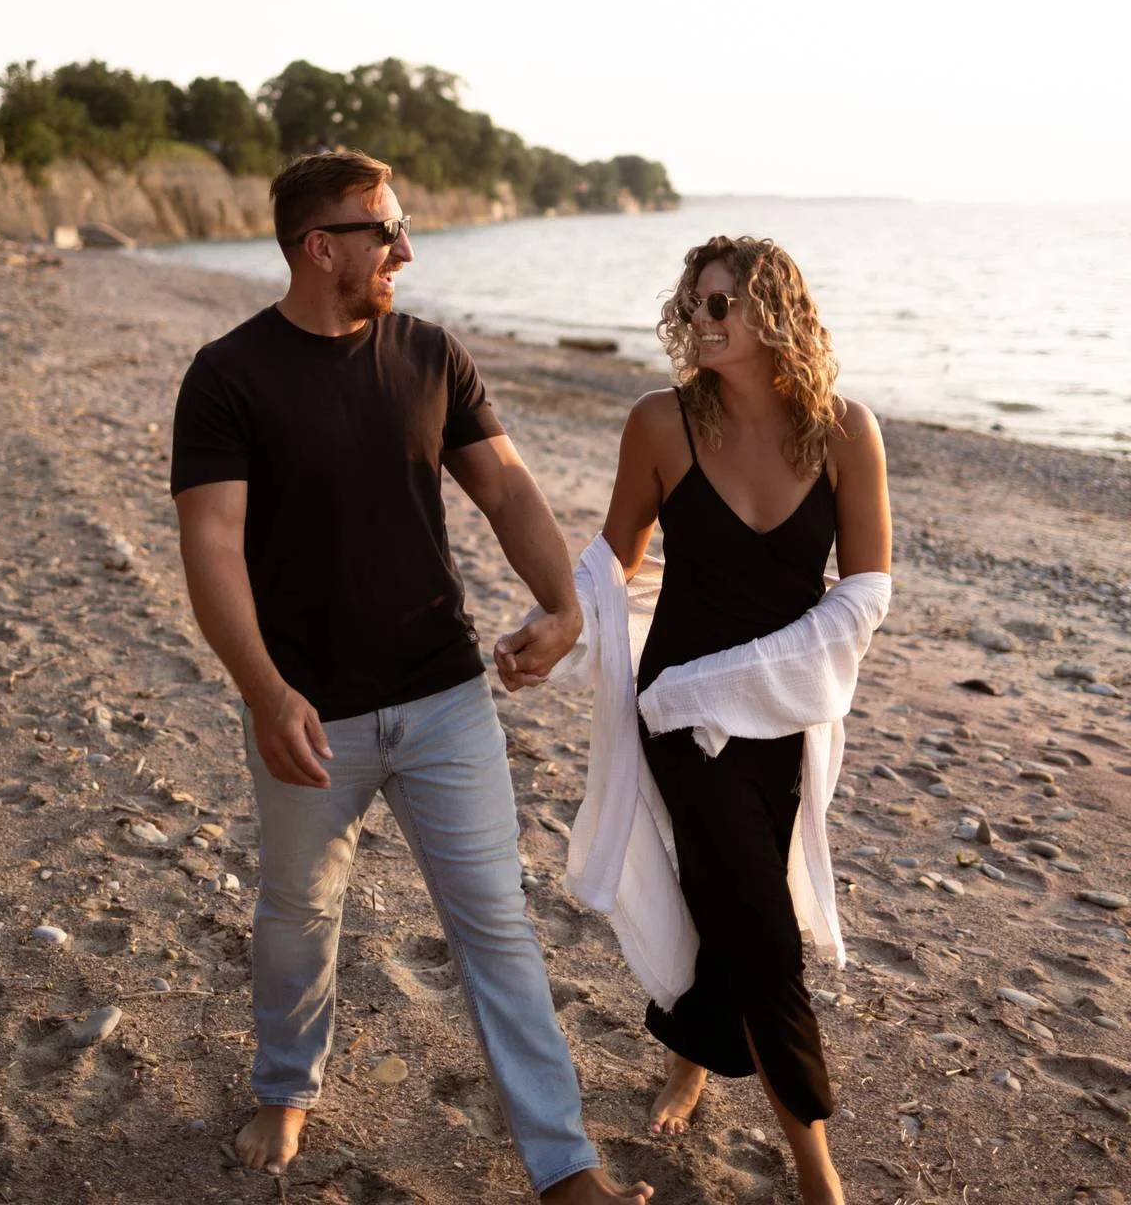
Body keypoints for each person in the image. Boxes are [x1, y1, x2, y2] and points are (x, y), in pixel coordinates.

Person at [170, 149, 652, 1204]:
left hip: (444, 696)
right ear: (319, 244)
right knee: (298, 915)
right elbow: (211, 547)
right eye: (385, 230)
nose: (404, 247)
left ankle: (565, 1168)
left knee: (496, 927)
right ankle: (287, 1087)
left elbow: (508, 490)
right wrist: (263, 691)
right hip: (309, 714)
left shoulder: (430, 352)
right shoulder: (229, 376)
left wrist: (566, 604)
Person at [550, 234, 889, 1205]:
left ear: (774, 316)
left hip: (779, 710)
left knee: (723, 895)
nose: (698, 321)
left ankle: (695, 1054)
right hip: (676, 710)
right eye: (693, 304)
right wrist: (559, 620)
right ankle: (817, 1173)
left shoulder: (844, 432)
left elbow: (866, 592)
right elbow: (611, 559)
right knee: (762, 925)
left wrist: (755, 674)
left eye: (719, 306)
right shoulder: (660, 424)